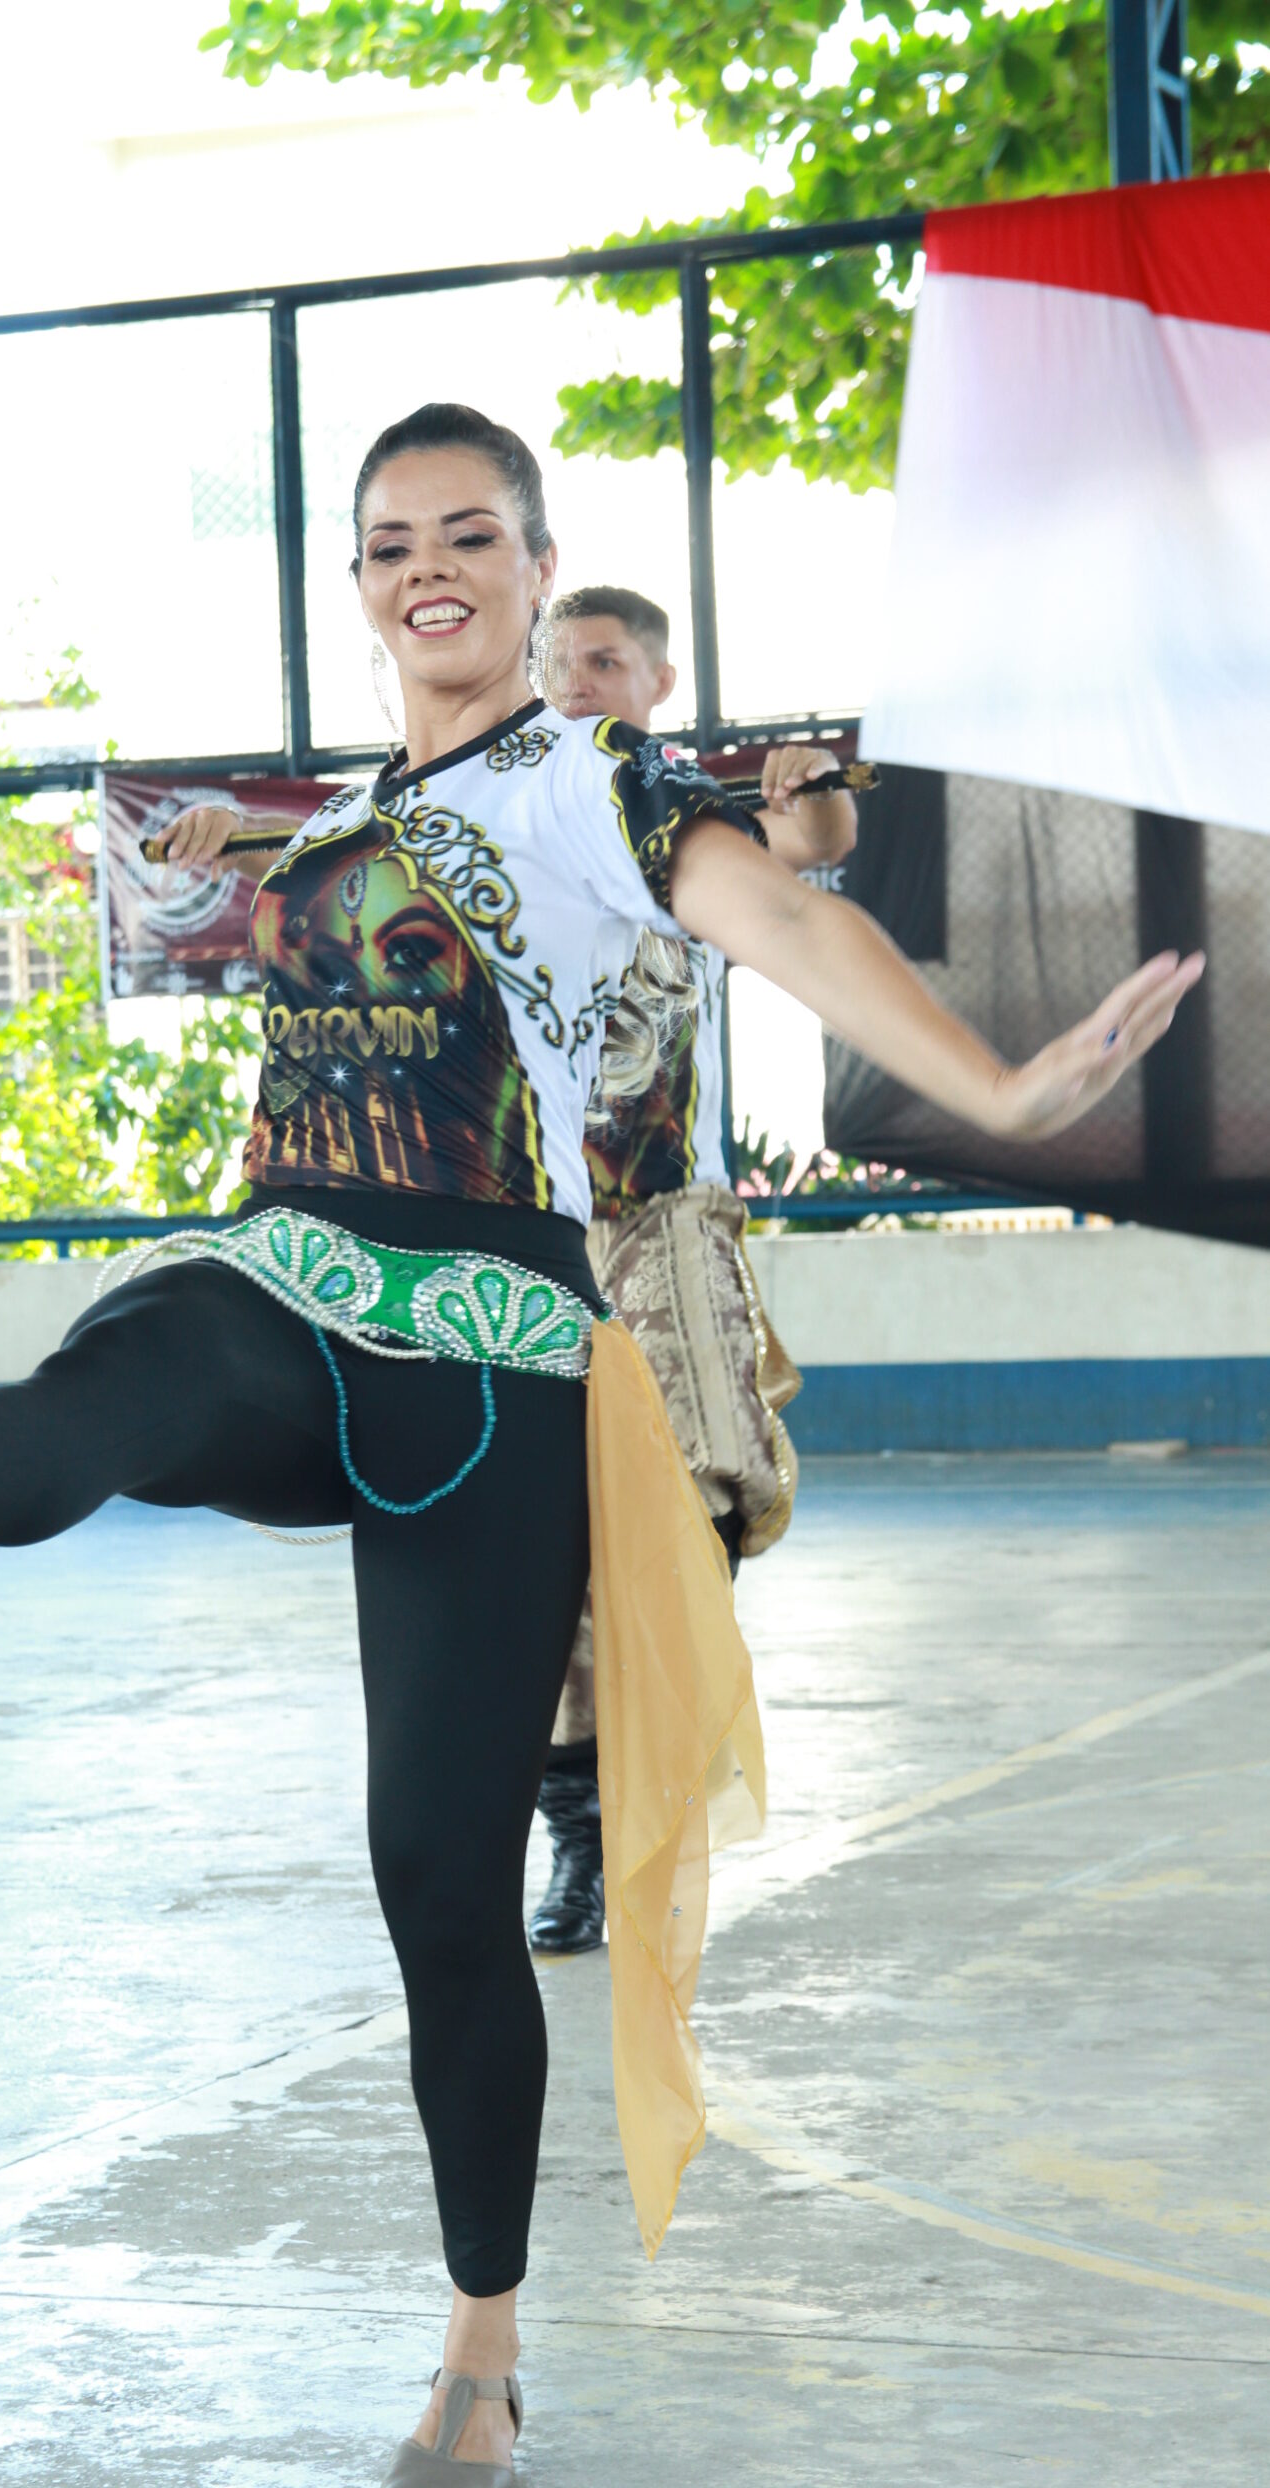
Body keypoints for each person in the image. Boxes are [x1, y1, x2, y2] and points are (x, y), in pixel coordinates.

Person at [0, 405, 1199, 2488]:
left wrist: (996, 1082)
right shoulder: (330, 829)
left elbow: (781, 920)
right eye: (393, 539)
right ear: (356, 582)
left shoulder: (598, 783)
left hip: (494, 1353)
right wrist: (179, 866)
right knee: (147, 1354)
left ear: (531, 565)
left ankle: (481, 2356)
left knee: (436, 1878)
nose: (431, 566)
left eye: (472, 535)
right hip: (292, 1278)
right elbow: (197, 914)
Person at [528, 585, 854, 1955]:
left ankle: (661, 1768)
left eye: (602, 661)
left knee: (705, 1482)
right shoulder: (497, 813)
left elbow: (812, 848)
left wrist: (807, 790)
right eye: (556, 661)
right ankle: (581, 1833)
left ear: (657, 681)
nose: (573, 680)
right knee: (540, 1538)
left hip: (662, 1214)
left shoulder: (681, 818)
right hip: (529, 1225)